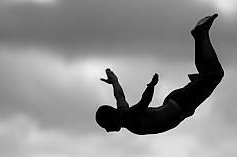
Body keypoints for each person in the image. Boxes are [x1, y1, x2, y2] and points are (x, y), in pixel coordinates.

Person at [95, 14, 224, 135]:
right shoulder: (124, 114)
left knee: (214, 75)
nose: (107, 130)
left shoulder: (129, 118)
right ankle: (200, 37)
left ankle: (201, 33)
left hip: (180, 104)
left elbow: (144, 102)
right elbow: (120, 97)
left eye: (105, 125)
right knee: (209, 76)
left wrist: (151, 86)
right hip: (177, 105)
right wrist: (115, 82)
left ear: (112, 118)